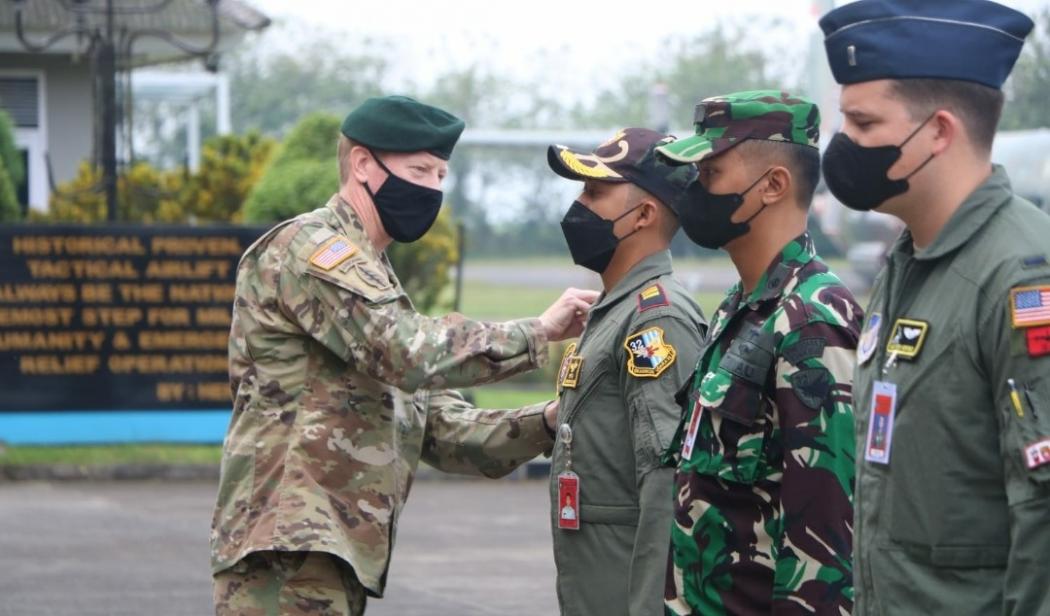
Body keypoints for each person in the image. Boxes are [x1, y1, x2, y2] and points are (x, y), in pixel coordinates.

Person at [210, 95, 598, 615]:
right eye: (419, 169)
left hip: (329, 550)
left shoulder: (374, 278)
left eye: (441, 174)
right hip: (288, 545)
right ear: (363, 164)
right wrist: (538, 332)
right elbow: (408, 353)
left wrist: (550, 420)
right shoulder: (312, 248)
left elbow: (444, 431)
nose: (432, 187)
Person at [818, 1, 1050, 613]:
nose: (845, 146)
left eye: (864, 126)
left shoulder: (1022, 274)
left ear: (940, 132)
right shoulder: (911, 264)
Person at [656, 91, 861, 614]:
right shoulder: (745, 304)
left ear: (773, 185)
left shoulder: (812, 318)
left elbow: (824, 534)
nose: (694, 190)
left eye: (709, 173)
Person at [544, 127, 706, 616]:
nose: (579, 205)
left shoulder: (656, 317)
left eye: (595, 192)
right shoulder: (618, 309)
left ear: (643, 215)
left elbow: (666, 484)